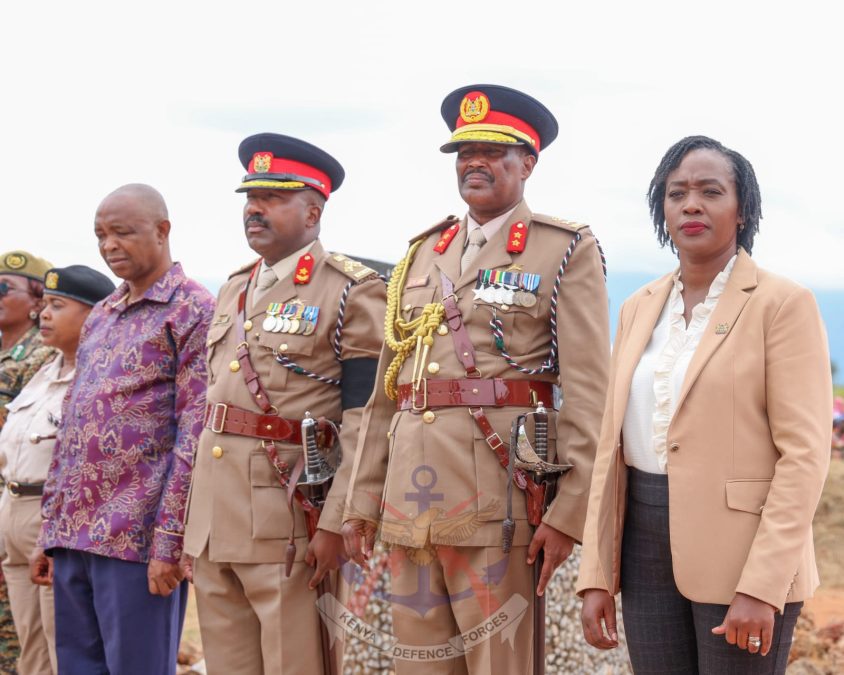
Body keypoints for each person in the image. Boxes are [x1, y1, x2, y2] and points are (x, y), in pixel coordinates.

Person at [342, 84, 610, 674]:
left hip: (500, 504)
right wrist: (362, 501)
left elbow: (590, 394)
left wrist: (568, 514)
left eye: (492, 151)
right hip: (411, 505)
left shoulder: (562, 249)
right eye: (464, 154)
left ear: (528, 162)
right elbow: (388, 395)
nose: (474, 164)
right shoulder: (421, 255)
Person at [577, 136, 832, 674]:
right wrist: (597, 572)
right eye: (677, 194)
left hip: (742, 549)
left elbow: (805, 457)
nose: (691, 204)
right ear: (661, 209)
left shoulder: (782, 304)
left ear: (742, 211)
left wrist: (762, 587)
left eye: (710, 192)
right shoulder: (636, 308)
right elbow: (611, 449)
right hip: (644, 545)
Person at [182, 133, 386, 674]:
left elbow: (365, 418)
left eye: (273, 197)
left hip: (287, 517)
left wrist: (337, 520)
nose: (254, 209)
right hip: (214, 519)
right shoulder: (232, 289)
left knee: (296, 664)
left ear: (314, 210)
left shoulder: (350, 290)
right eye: (251, 197)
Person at [34, 184, 215, 675]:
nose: (109, 245)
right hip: (74, 536)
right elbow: (72, 425)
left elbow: (193, 434)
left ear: (162, 231)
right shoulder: (102, 316)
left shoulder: (193, 310)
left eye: (122, 232)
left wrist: (170, 543)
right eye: (100, 235)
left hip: (135, 539)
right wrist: (49, 532)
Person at [1, 265, 115, 674]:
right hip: (13, 510)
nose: (44, 314)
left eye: (58, 305)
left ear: (93, 315)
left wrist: (51, 527)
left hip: (52, 519)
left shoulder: (100, 376)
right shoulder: (43, 371)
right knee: (30, 647)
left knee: (63, 643)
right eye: (45, 304)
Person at [0, 250, 55, 672]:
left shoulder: (41, 357)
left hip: (23, 502)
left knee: (21, 636)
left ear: (37, 299)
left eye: (5, 288)